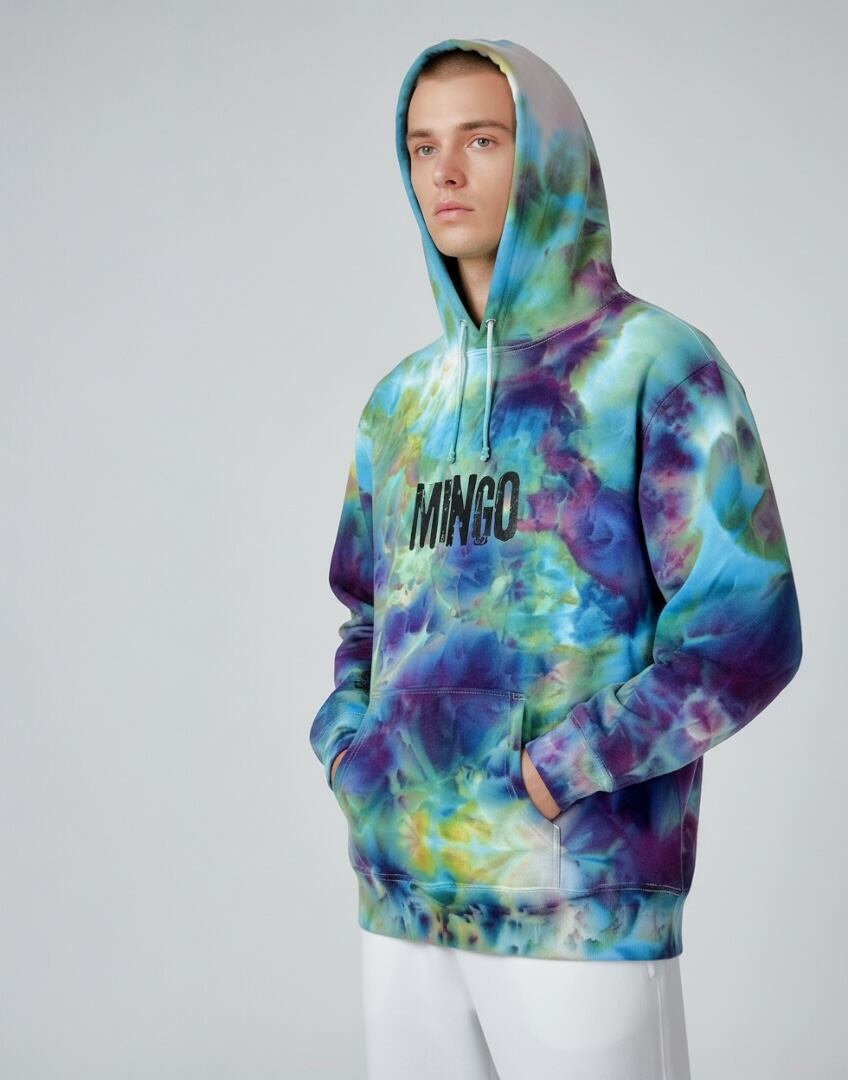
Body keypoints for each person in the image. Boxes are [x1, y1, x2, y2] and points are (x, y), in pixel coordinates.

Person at [310, 37, 803, 1080]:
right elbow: (364, 613)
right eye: (422, 147)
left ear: (549, 156)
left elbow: (746, 634)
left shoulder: (653, 365)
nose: (445, 173)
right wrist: (353, 751)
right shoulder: (399, 404)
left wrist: (560, 769)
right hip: (401, 903)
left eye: (482, 140)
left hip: (578, 907)